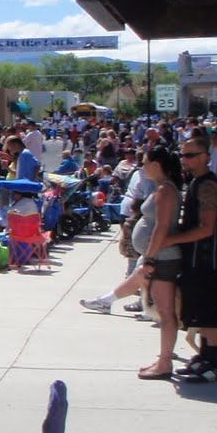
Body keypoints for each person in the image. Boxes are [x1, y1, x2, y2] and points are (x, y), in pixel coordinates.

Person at [82, 147, 183, 380]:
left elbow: (161, 226)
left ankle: (165, 362)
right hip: (157, 255)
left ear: (156, 165)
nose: (142, 167)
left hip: (163, 257)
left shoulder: (166, 190)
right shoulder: (161, 188)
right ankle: (164, 357)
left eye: (145, 163)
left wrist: (150, 256)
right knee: (160, 308)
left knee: (165, 312)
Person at [162, 133, 217, 382]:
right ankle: (203, 357)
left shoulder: (208, 185)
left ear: (205, 156)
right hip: (193, 259)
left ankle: (213, 363)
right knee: (199, 310)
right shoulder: (196, 182)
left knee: (210, 310)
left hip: (206, 259)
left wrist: (172, 239)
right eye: (183, 154)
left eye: (190, 155)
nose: (185, 159)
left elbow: (207, 228)